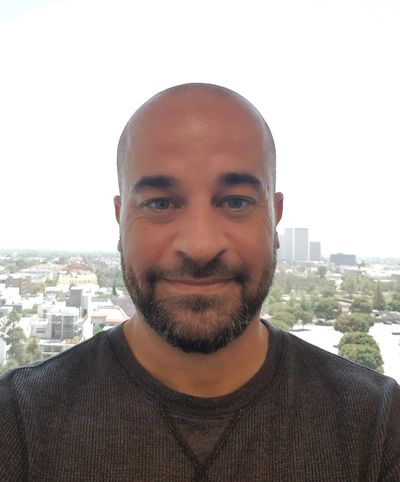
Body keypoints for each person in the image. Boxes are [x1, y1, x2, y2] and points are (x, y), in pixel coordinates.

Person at [0, 83, 399, 481]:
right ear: (120, 218)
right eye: (160, 203)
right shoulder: (17, 421)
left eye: (236, 201)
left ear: (275, 216)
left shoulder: (378, 426)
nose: (201, 246)